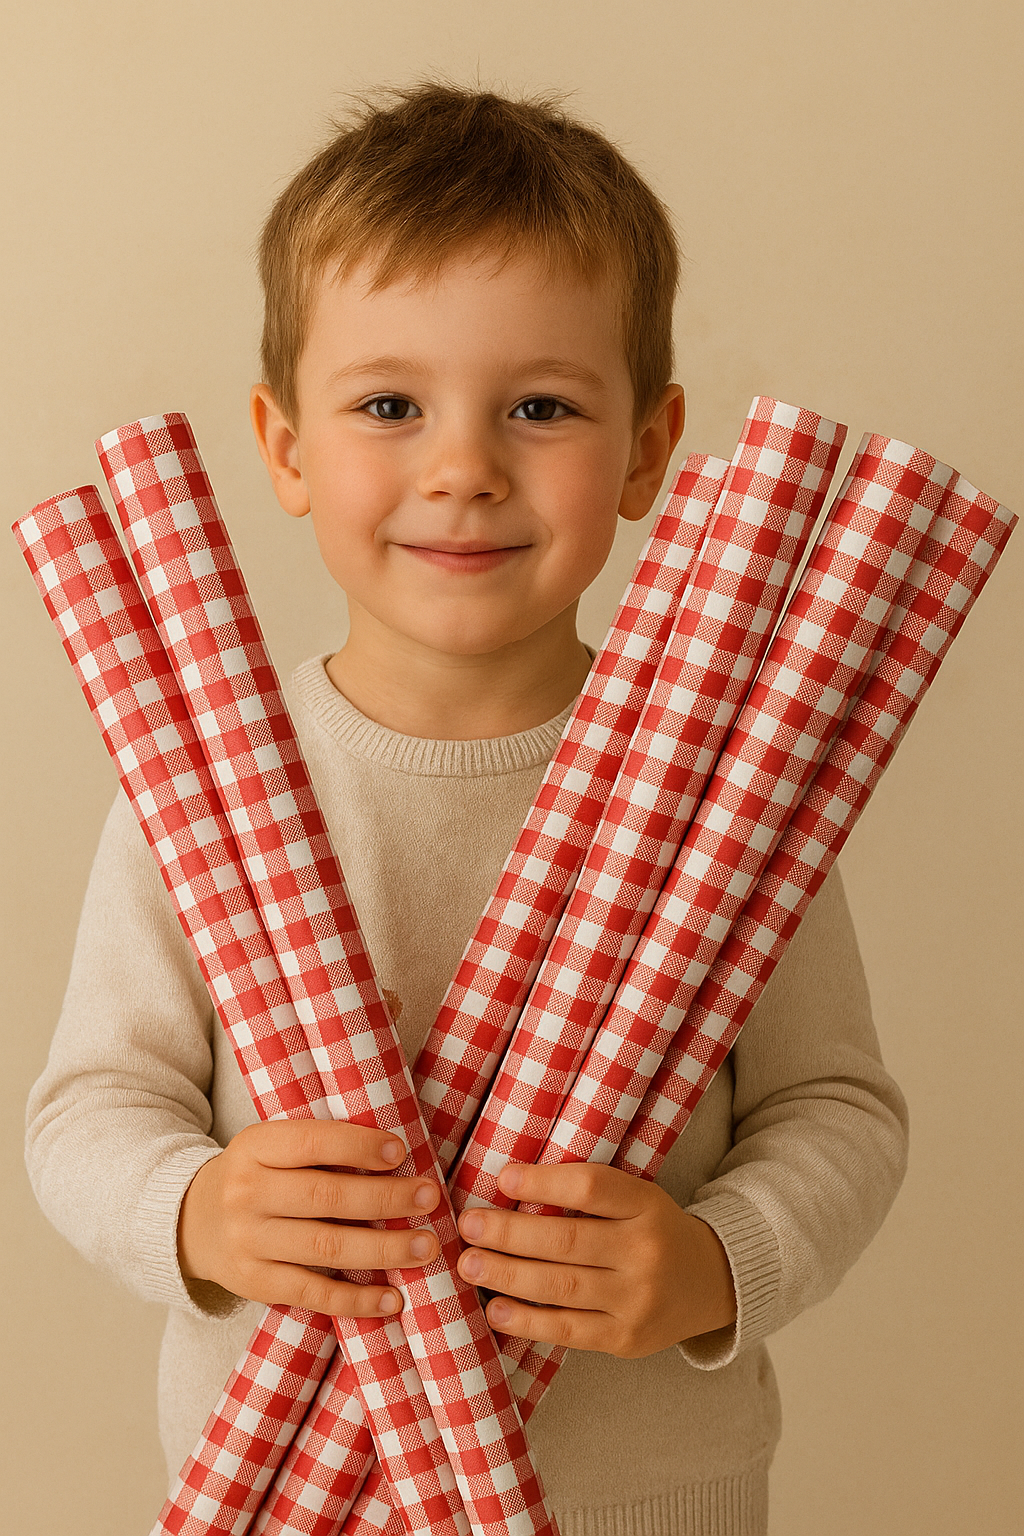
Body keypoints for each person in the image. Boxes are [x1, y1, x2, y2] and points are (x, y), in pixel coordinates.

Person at [25, 81, 909, 1535]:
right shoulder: (203, 765)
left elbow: (836, 1107)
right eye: (388, 404)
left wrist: (716, 1261)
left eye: (542, 407)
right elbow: (90, 1106)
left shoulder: (723, 769)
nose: (462, 468)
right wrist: (194, 1212)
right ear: (286, 444)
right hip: (279, 1490)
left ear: (647, 450)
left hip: (652, 1493)